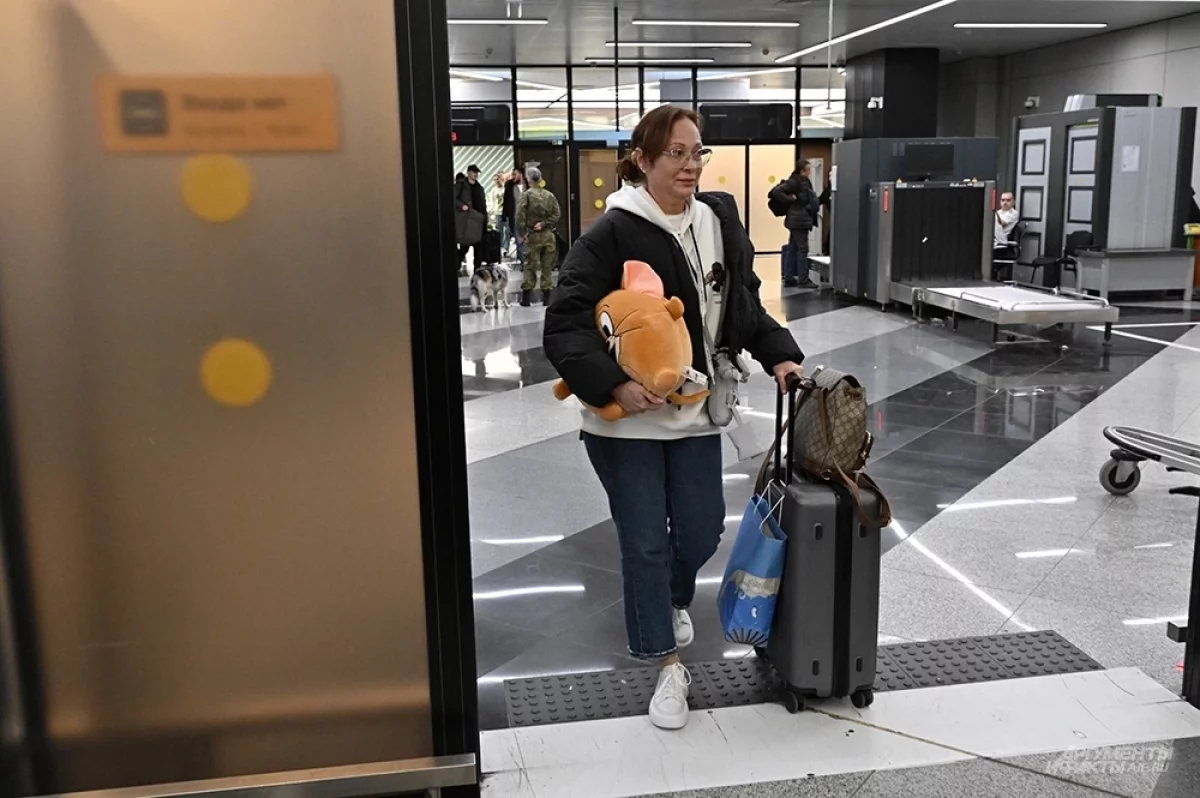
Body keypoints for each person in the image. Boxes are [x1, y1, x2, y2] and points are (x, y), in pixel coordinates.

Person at [543, 105, 805, 731]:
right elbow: (564, 323)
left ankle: (672, 596)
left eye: (697, 153)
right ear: (643, 160)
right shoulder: (611, 233)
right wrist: (614, 384)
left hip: (694, 413)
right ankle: (665, 666)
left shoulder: (717, 221)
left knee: (701, 529)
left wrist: (780, 354)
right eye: (676, 154)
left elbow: (741, 304)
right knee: (645, 542)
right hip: (624, 423)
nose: (691, 166)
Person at [769, 159, 819, 288]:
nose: (810, 172)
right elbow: (777, 191)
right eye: (808, 170)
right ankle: (803, 280)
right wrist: (789, 200)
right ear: (802, 171)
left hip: (796, 220)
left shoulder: (801, 181)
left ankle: (789, 277)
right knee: (802, 249)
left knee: (792, 248)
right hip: (799, 221)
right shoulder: (795, 182)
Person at [516, 167, 561, 306]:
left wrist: (522, 233)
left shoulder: (526, 195)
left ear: (528, 179)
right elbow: (557, 214)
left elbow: (519, 215)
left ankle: (526, 299)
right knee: (547, 267)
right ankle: (546, 298)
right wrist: (544, 223)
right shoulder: (549, 195)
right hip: (548, 235)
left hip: (532, 235)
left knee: (530, 266)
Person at [455, 165, 488, 273]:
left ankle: (477, 271)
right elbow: (453, 198)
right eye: (474, 172)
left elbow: (483, 205)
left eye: (477, 172)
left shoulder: (479, 188)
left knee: (479, 248)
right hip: (467, 220)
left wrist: (485, 219)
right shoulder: (461, 185)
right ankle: (456, 264)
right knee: (465, 246)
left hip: (478, 220)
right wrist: (462, 206)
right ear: (468, 173)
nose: (476, 174)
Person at [502, 169, 526, 260]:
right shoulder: (510, 187)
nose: (513, 177)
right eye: (512, 174)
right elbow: (506, 202)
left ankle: (526, 259)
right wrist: (505, 217)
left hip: (528, 218)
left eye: (515, 174)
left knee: (527, 239)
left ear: (521, 174)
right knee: (519, 239)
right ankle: (523, 260)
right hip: (515, 217)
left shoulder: (528, 186)